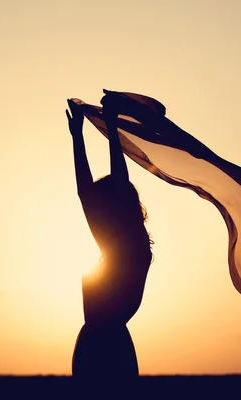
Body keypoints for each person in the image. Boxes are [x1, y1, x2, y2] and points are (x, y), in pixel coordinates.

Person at [66, 93, 154, 381]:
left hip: (102, 348)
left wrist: (82, 135)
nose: (98, 210)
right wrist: (106, 129)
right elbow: (93, 190)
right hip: (107, 345)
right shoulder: (130, 247)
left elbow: (92, 189)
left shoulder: (124, 248)